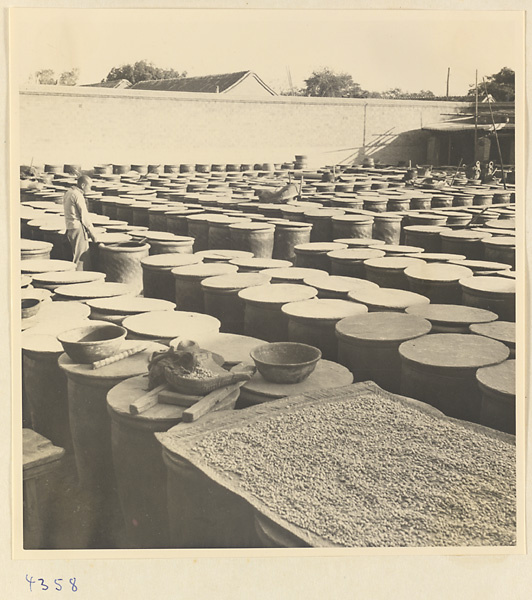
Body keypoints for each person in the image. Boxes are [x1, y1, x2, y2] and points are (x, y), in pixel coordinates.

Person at [63, 175, 98, 270]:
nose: (90, 189)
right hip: (78, 228)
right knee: (81, 257)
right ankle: (79, 278)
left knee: (74, 253)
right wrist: (93, 233)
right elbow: (84, 217)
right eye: (89, 186)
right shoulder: (78, 195)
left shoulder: (68, 192)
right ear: (83, 185)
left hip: (70, 227)